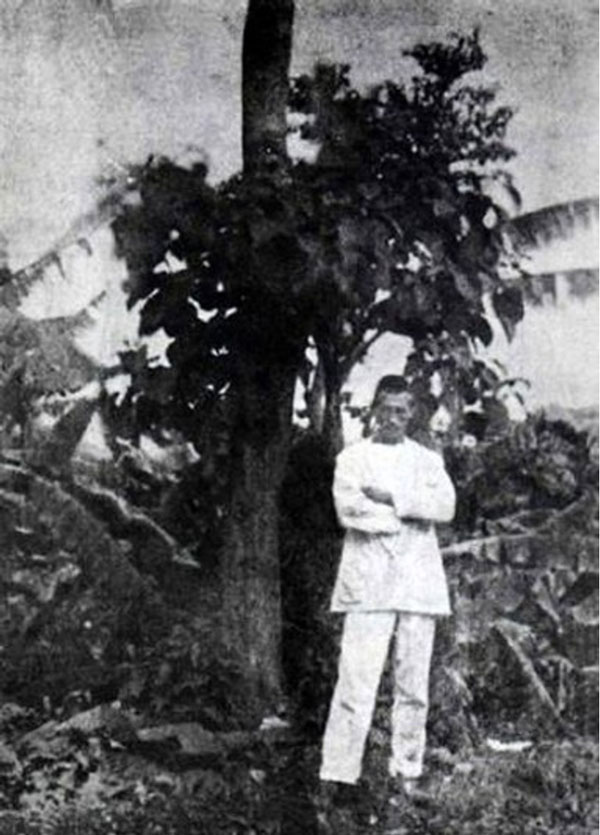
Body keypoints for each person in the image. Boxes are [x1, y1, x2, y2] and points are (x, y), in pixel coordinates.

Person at [318, 375, 456, 819]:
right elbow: (350, 511)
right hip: (369, 583)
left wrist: (393, 498)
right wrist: (405, 518)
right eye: (386, 409)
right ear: (374, 408)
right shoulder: (352, 459)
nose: (393, 418)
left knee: (413, 684)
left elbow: (445, 508)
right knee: (356, 681)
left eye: (401, 410)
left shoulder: (427, 460)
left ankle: (407, 771)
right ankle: (339, 775)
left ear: (412, 414)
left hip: (417, 582)